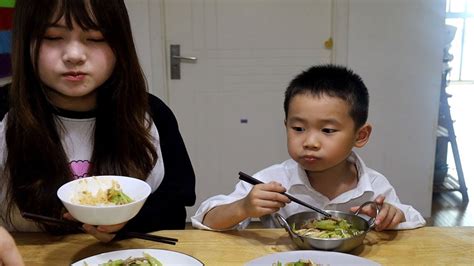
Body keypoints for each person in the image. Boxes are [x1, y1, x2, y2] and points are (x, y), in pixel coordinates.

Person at [0, 0, 195, 242]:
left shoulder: (152, 114)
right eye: (52, 37)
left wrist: (129, 222)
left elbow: (175, 206)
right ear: (24, 40)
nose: (74, 55)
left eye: (95, 37)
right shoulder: (4, 111)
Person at [192, 64, 426, 231]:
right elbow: (206, 218)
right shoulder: (272, 180)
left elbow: (414, 219)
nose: (310, 142)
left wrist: (395, 215)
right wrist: (243, 207)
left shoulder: (373, 187)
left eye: (327, 131)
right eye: (298, 128)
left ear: (360, 135)